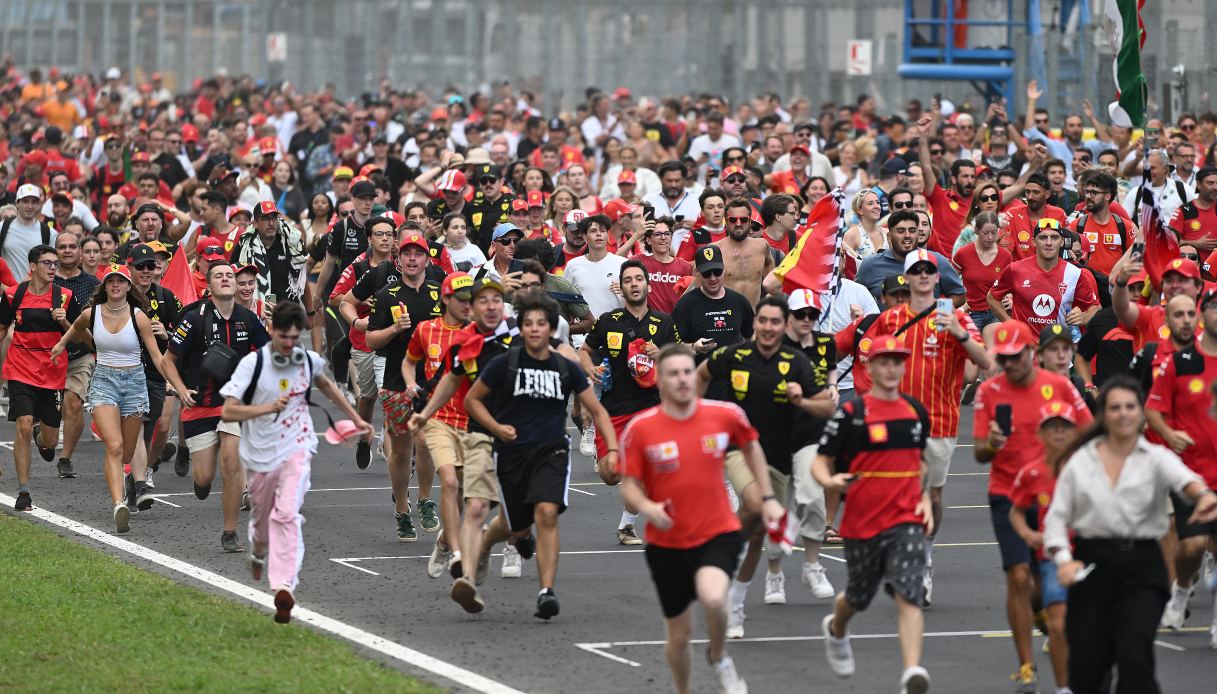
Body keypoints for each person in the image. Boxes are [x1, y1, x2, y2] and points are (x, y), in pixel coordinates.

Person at [620, 343, 783, 694]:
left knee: (712, 598)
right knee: (679, 634)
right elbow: (629, 487)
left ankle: (720, 655)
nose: (681, 380)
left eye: (687, 372)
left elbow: (751, 446)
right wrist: (648, 509)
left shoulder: (724, 415)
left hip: (716, 532)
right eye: (673, 374)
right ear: (659, 381)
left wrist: (767, 497)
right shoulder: (641, 428)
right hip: (668, 542)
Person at [1044, 378, 1217, 692]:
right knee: (1087, 669)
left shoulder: (1155, 458)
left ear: (1140, 413)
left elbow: (1189, 482)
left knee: (1134, 657)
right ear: (1103, 415)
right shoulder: (1081, 462)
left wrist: (1204, 497)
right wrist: (1064, 560)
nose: (1123, 414)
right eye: (1115, 408)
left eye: (1130, 407)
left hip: (1142, 569)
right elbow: (1056, 520)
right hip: (1092, 566)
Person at [466, 289, 616, 619]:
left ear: (551, 328)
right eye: (528, 323)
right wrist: (496, 427)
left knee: (547, 513)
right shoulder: (504, 364)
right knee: (515, 528)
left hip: (551, 450)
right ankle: (490, 545)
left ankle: (546, 591)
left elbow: (598, 411)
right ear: (521, 328)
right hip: (511, 454)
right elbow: (472, 401)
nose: (535, 329)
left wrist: (613, 449)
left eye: (541, 323)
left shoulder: (566, 366)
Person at [220, 302, 372, 624]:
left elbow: (328, 386)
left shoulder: (307, 359)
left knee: (287, 513)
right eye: (283, 337)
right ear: (271, 330)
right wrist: (267, 408)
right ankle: (258, 551)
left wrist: (358, 419)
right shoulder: (254, 363)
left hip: (298, 447)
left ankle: (284, 586)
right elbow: (228, 411)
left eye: (294, 337)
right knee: (262, 526)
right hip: (260, 455)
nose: (289, 344)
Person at [700, 295, 833, 635]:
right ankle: (772, 530)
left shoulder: (797, 362)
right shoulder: (736, 354)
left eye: (776, 321)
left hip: (779, 456)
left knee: (755, 530)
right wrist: (698, 416)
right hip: (740, 449)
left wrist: (801, 400)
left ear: (784, 325)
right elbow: (702, 373)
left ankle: (736, 599)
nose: (769, 327)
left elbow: (826, 407)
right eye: (763, 320)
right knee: (759, 507)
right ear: (755, 323)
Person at [974, 320, 1093, 691]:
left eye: (1016, 357)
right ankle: (1026, 664)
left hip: (1052, 495)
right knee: (1019, 576)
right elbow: (979, 453)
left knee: (1046, 581)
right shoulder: (989, 390)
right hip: (1006, 492)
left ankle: (1045, 616)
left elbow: (1089, 430)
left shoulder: (1059, 386)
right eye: (1003, 359)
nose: (1009, 365)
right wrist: (992, 442)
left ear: (1032, 353)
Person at [811, 335, 933, 694]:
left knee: (909, 593)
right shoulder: (852, 414)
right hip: (863, 522)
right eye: (884, 361)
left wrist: (923, 498)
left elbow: (920, 462)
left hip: (906, 518)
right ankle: (837, 628)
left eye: (897, 361)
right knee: (858, 597)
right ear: (870, 366)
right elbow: (821, 459)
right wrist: (830, 478)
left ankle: (912, 670)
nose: (891, 368)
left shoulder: (914, 411)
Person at [407, 278, 517, 611]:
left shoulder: (515, 335)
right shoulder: (449, 338)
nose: (474, 305)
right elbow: (443, 378)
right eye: (469, 299)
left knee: (505, 514)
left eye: (485, 300)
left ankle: (462, 545)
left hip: (503, 432)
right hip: (460, 425)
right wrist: (422, 411)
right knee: (466, 497)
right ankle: (464, 571)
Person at [51, 264, 167, 530]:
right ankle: (119, 505)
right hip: (103, 381)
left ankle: (128, 482)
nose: (115, 285)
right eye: (110, 281)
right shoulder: (92, 314)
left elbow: (157, 356)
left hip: (135, 382)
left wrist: (176, 383)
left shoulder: (139, 317)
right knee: (113, 446)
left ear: (129, 286)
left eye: (121, 281)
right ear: (104, 286)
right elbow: (77, 327)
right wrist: (60, 344)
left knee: (127, 451)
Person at [164, 263, 270, 552]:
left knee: (232, 464)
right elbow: (167, 361)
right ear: (208, 286)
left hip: (233, 406)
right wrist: (181, 389)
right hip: (199, 405)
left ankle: (230, 532)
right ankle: (199, 478)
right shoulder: (194, 319)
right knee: (205, 477)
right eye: (219, 276)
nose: (226, 279)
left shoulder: (248, 319)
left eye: (229, 276)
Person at [580, 260, 680, 544]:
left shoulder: (664, 322)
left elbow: (679, 362)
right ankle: (622, 467)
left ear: (647, 285)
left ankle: (626, 526)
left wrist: (660, 353)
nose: (634, 284)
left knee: (646, 469)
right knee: (611, 475)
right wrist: (589, 367)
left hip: (651, 409)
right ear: (621, 288)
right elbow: (585, 351)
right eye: (628, 280)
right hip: (613, 410)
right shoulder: (608, 321)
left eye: (639, 279)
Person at [363, 231, 443, 541]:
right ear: (399, 259)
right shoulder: (387, 294)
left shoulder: (439, 293)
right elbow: (371, 340)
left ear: (426, 259)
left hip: (431, 383)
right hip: (396, 382)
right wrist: (394, 329)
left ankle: (424, 499)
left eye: (418, 253)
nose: (412, 258)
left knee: (425, 441)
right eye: (407, 253)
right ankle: (401, 508)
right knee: (399, 452)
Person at [1146, 289, 1217, 635]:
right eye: (1214, 308)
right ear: (1204, 315)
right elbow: (1153, 409)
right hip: (1191, 473)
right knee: (1192, 546)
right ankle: (1180, 591)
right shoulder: (1182, 362)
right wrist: (1170, 435)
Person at [404, 272, 475, 577]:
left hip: (470, 420)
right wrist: (409, 383)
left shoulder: (479, 333)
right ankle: (457, 554)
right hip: (437, 417)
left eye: (471, 300)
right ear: (446, 299)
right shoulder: (426, 330)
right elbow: (409, 361)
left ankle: (446, 541)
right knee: (448, 481)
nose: (467, 306)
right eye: (461, 300)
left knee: (460, 493)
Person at [1008, 402, 1081, 694]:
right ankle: (1064, 687)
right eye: (1053, 427)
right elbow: (1015, 511)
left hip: (1091, 558)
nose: (1060, 433)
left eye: (1066, 426)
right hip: (1053, 560)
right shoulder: (1031, 473)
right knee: (1058, 625)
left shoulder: (1090, 469)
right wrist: (1027, 532)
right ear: (1041, 434)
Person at [0, 245, 78, 511]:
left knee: (50, 441)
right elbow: (1, 328)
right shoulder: (13, 295)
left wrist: (65, 322)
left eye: (55, 263)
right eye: (47, 263)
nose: (53, 267)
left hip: (52, 372)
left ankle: (40, 433)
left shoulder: (65, 297)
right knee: (21, 424)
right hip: (20, 368)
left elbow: (80, 337)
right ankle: (24, 492)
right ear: (32, 266)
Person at [334, 215, 398, 471]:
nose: (385, 238)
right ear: (369, 239)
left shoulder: (404, 264)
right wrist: (361, 304)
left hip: (394, 344)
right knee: (369, 396)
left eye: (389, 234)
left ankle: (389, 444)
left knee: (390, 396)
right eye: (379, 234)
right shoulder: (358, 267)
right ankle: (364, 437)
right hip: (364, 343)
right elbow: (336, 298)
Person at [988, 218, 1100, 338]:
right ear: (1033, 242)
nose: (1048, 243)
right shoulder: (1015, 269)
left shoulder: (1074, 274)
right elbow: (992, 298)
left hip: (1058, 348)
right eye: (1043, 237)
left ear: (1062, 242)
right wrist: (1011, 324)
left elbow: (1095, 307)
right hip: (1025, 350)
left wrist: (1083, 318)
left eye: (1054, 237)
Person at [53, 229, 100, 479]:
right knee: (49, 417)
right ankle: (47, 439)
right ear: (55, 252)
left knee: (74, 403)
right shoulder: (46, 280)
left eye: (73, 246)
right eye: (63, 247)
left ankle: (65, 458)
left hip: (80, 354)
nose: (68, 250)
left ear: (80, 252)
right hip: (48, 355)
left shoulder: (94, 285)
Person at [671, 245, 754, 363]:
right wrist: (694, 347)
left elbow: (751, 336)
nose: (713, 278)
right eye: (706, 273)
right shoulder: (686, 304)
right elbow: (671, 346)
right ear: (697, 273)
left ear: (724, 270)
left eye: (717, 272)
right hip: (699, 376)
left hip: (733, 376)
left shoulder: (739, 302)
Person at [952, 211, 1013, 332]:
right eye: (985, 233)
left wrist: (1011, 299)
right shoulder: (963, 254)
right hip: (971, 312)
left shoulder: (1005, 256)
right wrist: (958, 306)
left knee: (993, 347)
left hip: (995, 312)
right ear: (976, 231)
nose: (990, 237)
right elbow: (950, 282)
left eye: (994, 233)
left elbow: (1011, 286)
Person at [562, 214, 626, 318]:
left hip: (615, 330)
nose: (598, 234)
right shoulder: (573, 265)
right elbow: (565, 300)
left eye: (602, 230)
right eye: (593, 231)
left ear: (607, 235)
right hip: (582, 332)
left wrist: (626, 291)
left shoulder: (623, 264)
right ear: (584, 236)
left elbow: (637, 297)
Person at [628, 216, 692, 314]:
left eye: (667, 234)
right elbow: (613, 260)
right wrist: (637, 234)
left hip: (675, 324)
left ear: (671, 238)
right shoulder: (639, 261)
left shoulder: (685, 266)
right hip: (648, 325)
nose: (663, 237)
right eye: (658, 234)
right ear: (648, 240)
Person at [715, 198, 774, 305]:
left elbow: (771, 278)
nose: (738, 224)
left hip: (754, 316)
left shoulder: (762, 246)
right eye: (733, 220)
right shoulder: (715, 250)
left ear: (750, 221)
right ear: (726, 221)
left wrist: (771, 295)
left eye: (743, 219)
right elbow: (701, 286)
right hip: (726, 317)